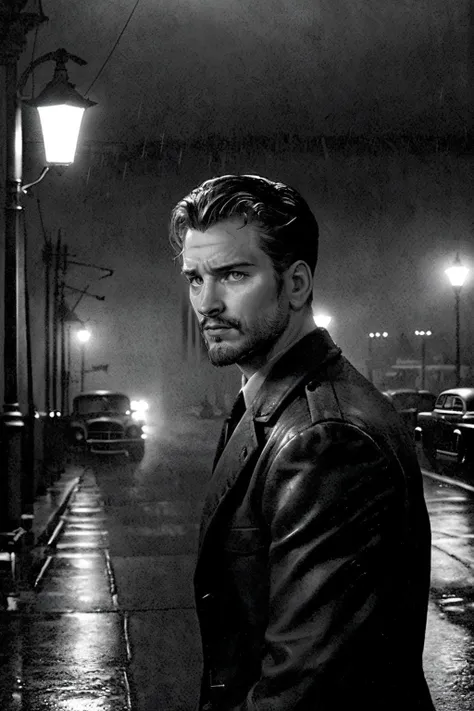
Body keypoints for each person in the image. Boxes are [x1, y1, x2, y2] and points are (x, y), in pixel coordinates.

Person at [169, 174, 435, 711]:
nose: (207, 302)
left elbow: (303, 691)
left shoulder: (325, 439)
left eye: (233, 275)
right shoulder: (274, 404)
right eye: (195, 279)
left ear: (296, 284)